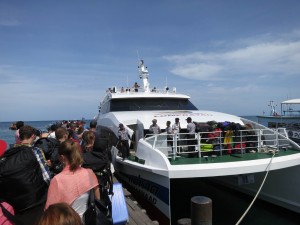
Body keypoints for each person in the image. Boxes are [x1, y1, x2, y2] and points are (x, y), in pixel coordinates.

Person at [0, 125, 51, 225]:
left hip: (16, 204)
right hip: (36, 201)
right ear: (32, 136)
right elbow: (46, 177)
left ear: (20, 137)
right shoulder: (35, 151)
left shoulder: (8, 153)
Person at [45, 140, 100, 219]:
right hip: (86, 219)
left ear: (62, 158)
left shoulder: (57, 180)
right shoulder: (89, 172)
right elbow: (97, 194)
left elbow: (50, 211)